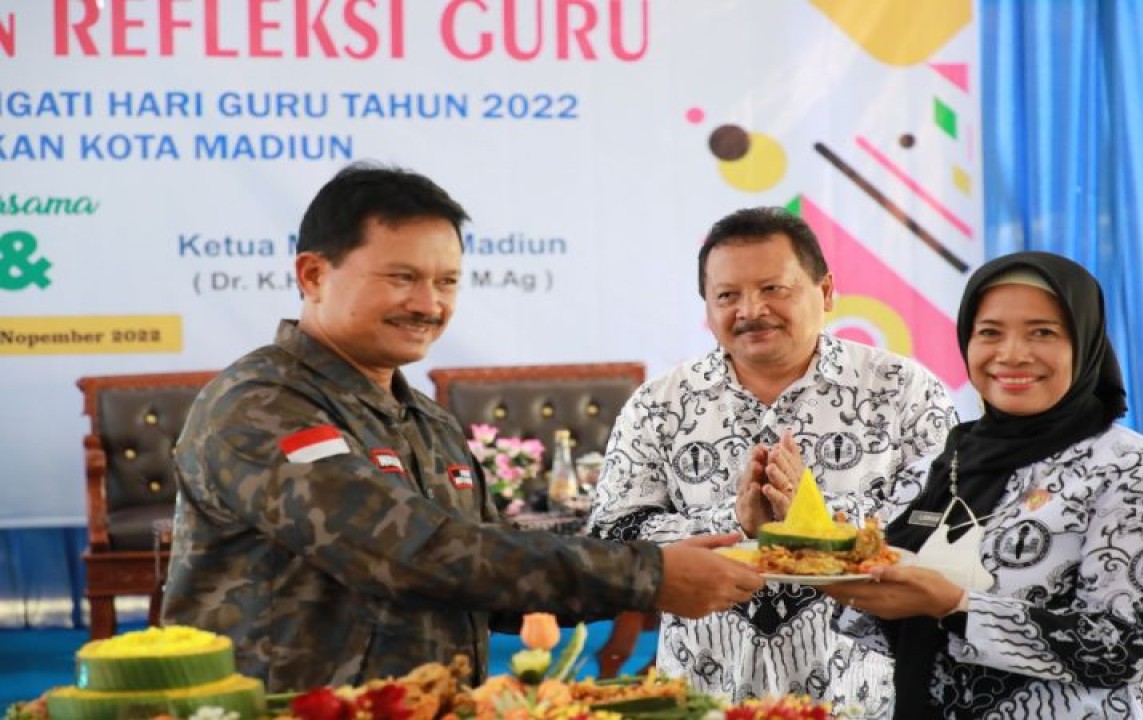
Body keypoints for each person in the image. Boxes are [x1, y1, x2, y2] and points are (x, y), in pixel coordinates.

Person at [162, 162, 764, 693]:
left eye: (447, 281)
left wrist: (663, 559)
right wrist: (648, 573)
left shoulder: (424, 418)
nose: (429, 304)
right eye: (402, 278)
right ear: (314, 275)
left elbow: (490, 577)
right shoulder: (262, 403)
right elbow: (409, 554)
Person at [586, 206, 957, 714]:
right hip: (702, 696)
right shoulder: (659, 403)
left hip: (858, 697)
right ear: (707, 307)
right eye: (727, 296)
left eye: (773, 289)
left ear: (825, 292)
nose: (751, 310)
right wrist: (735, 523)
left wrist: (810, 519)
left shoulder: (903, 390)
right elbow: (610, 539)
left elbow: (942, 530)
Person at [821, 251, 1143, 719]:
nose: (1012, 354)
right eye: (990, 333)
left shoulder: (1130, 471)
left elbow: (1133, 645)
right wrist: (801, 544)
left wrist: (957, 607)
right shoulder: (940, 464)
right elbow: (877, 624)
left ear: (1083, 344)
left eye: (1042, 332)